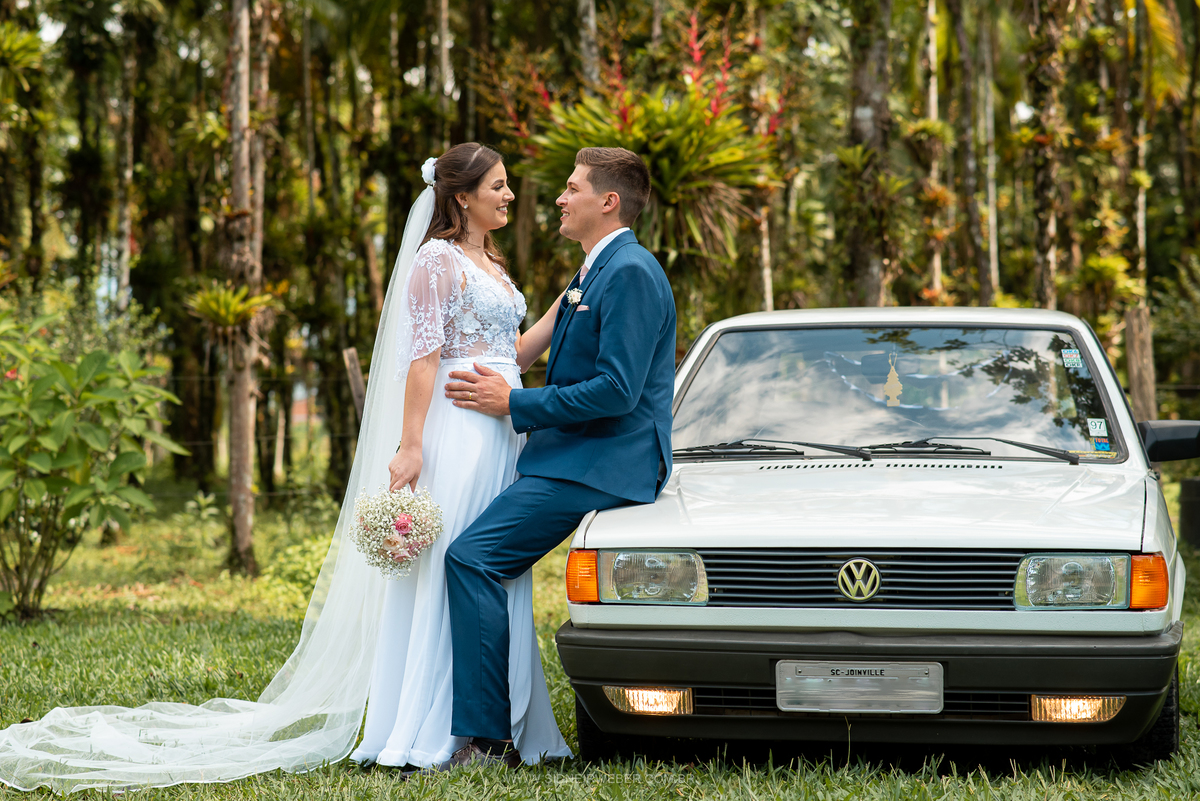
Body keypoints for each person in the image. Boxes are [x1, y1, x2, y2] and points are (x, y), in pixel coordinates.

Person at [0, 142, 570, 793]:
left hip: (499, 434)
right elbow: (423, 358)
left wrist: (563, 305)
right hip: (456, 433)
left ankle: (507, 720)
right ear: (462, 196)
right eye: (498, 185)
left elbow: (509, 355)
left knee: (494, 568)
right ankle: (439, 723)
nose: (509, 195)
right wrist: (411, 445)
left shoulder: (492, 262)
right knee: (448, 569)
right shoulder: (435, 260)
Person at [436, 146, 677, 769]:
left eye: (573, 188)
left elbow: (618, 390)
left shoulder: (630, 271)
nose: (560, 199)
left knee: (473, 557)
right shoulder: (595, 268)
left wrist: (514, 403)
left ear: (608, 201)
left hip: (604, 459)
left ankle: (488, 741)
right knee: (478, 557)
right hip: (576, 452)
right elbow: (532, 348)